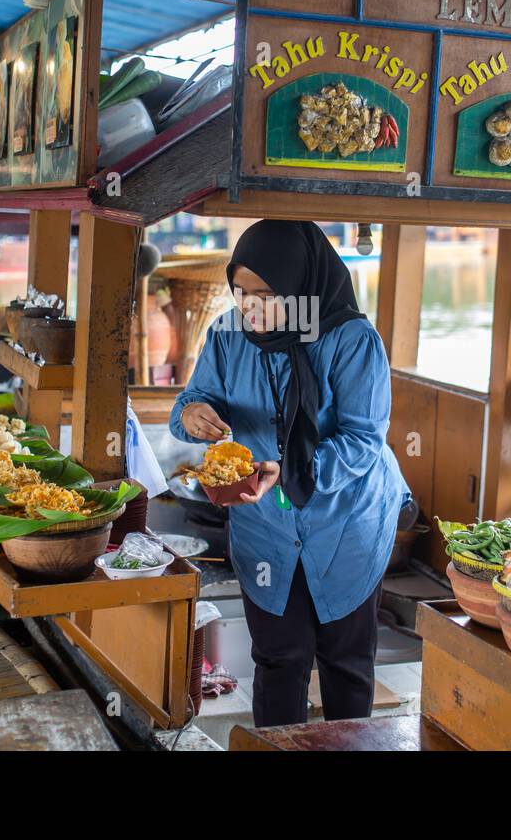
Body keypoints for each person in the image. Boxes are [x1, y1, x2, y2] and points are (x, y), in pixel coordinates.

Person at [169, 220, 410, 728]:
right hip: (266, 526)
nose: (249, 307)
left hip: (345, 521)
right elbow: (192, 401)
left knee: (345, 665)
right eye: (239, 292)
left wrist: (298, 470)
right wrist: (193, 415)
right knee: (279, 660)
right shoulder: (227, 333)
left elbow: (364, 439)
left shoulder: (352, 340)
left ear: (302, 286)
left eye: (265, 294)